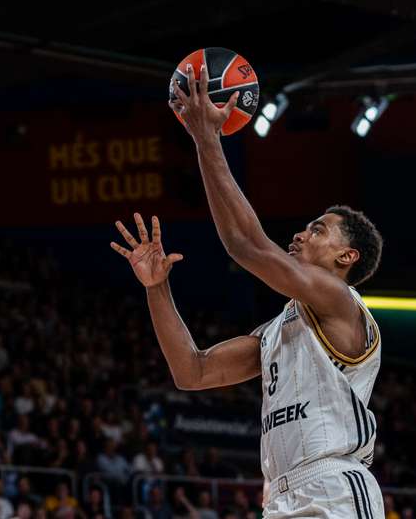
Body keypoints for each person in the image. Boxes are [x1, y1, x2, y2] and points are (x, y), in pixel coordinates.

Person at [112, 67, 385, 519]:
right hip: (279, 496)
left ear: (346, 257)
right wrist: (157, 289)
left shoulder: (342, 303)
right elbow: (192, 372)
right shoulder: (278, 330)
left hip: (335, 487)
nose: (300, 235)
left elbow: (247, 245)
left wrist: (207, 139)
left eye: (318, 231)